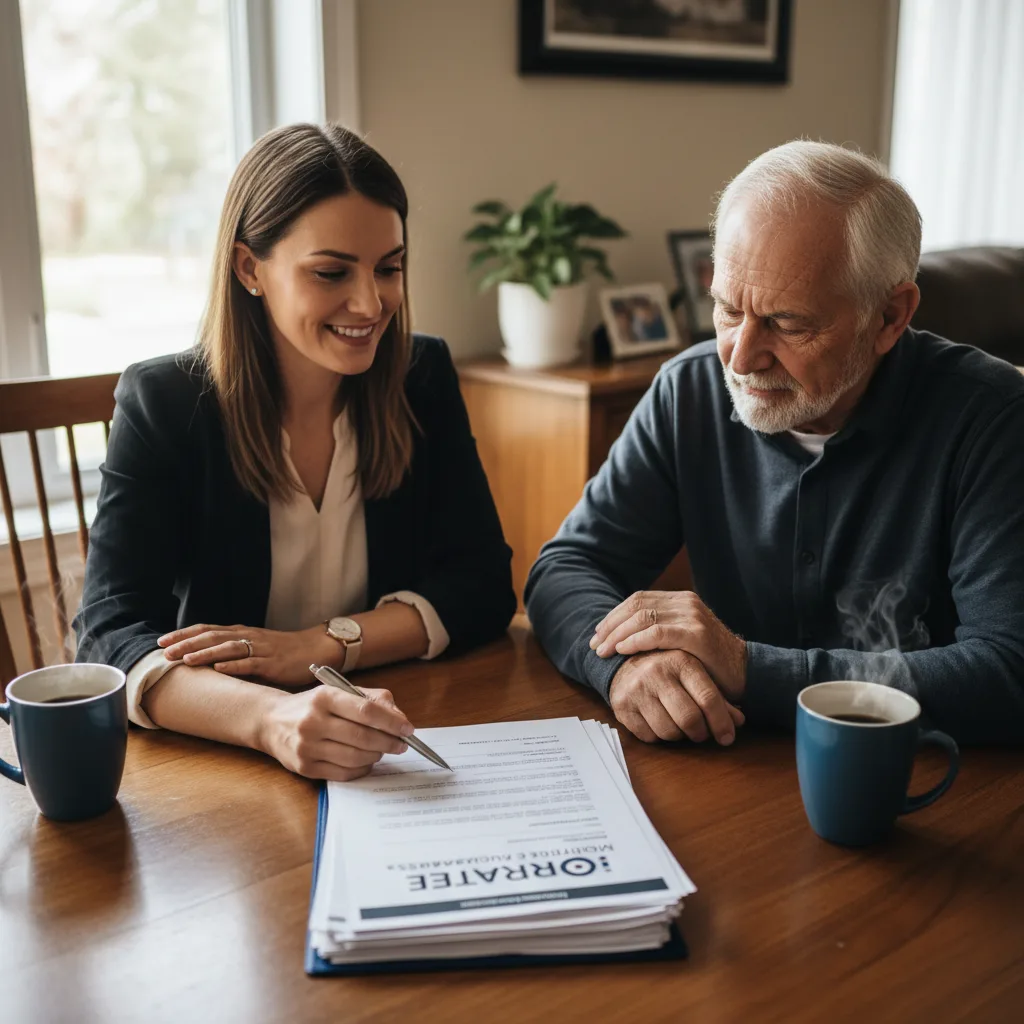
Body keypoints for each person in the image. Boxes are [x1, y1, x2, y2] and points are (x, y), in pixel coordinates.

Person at [526, 140, 1024, 747]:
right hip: (729, 764)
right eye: (727, 309)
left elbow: (1007, 670)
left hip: (921, 785)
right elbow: (566, 567)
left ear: (890, 316)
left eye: (787, 323)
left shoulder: (993, 419)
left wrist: (748, 669)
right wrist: (624, 665)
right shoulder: (689, 392)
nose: (738, 357)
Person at [74, 123, 516, 780]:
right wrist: (270, 718)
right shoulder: (166, 402)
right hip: (221, 771)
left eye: (389, 268)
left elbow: (483, 587)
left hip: (390, 738)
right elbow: (108, 633)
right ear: (250, 267)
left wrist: (320, 645)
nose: (371, 303)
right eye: (331, 271)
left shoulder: (421, 376)